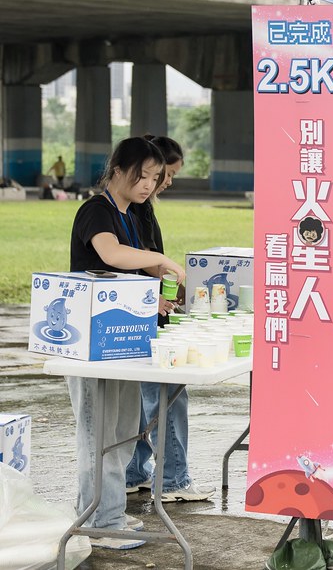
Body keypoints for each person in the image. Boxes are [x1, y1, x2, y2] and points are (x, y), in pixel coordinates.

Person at [67, 137, 186, 550]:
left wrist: (159, 292)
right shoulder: (95, 210)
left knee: (121, 432)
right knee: (96, 434)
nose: (149, 185)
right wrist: (163, 262)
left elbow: (130, 273)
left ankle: (111, 512)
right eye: (143, 176)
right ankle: (98, 523)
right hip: (91, 345)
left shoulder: (133, 214)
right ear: (117, 169)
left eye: (155, 178)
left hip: (125, 340)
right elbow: (111, 254)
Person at [123, 136, 214, 503]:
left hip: (145, 306)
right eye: (165, 174)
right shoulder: (118, 210)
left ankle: (134, 471)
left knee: (144, 398)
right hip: (141, 312)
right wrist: (156, 290)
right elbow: (136, 258)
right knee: (166, 395)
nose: (166, 182)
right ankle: (174, 479)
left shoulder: (139, 208)